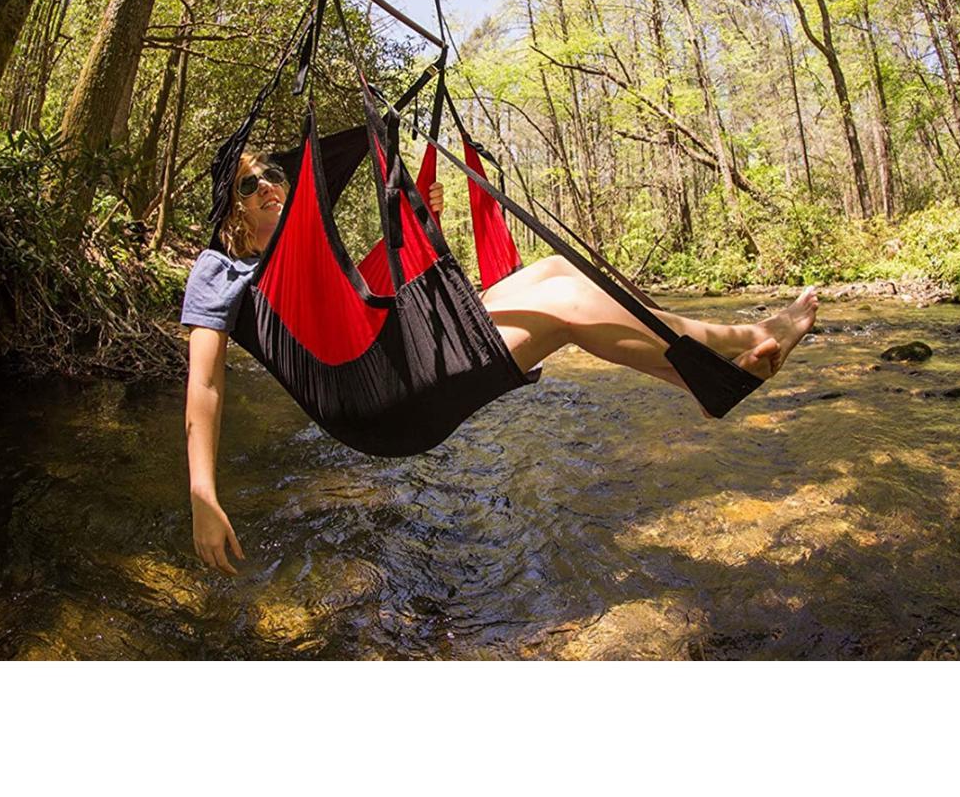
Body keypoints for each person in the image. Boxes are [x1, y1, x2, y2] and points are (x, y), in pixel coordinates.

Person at [182, 151, 818, 575]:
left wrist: (409, 219)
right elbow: (205, 383)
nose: (267, 186)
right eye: (249, 183)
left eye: (273, 177)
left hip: (394, 369)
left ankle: (710, 374)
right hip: (376, 407)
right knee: (565, 305)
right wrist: (203, 495)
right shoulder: (220, 270)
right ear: (231, 205)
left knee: (555, 271)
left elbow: (365, 299)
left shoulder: (309, 254)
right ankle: (734, 344)